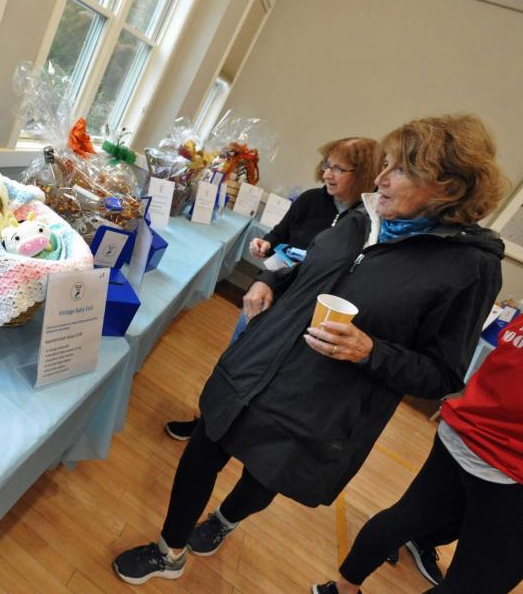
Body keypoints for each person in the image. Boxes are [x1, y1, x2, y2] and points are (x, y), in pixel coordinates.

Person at [113, 114, 505, 586]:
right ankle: (169, 549)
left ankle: (224, 521)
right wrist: (267, 279)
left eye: (400, 170)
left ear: (447, 188)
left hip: (318, 408)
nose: (380, 178)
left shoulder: (469, 267)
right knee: (201, 453)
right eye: (385, 163)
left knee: (261, 479)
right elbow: (307, 268)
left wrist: (368, 350)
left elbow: (443, 374)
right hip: (253, 368)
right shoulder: (363, 218)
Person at [165, 136, 381, 441]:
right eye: (327, 165)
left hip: (305, 315)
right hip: (267, 299)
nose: (328, 173)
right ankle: (206, 424)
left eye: (339, 169)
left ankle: (243, 434)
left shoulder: (367, 224)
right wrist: (267, 246)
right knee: (234, 362)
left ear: (362, 175)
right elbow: (280, 238)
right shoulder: (310, 200)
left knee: (272, 380)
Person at [313, 313, 523, 594]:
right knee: (475, 583)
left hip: (466, 431)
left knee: (407, 516)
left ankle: (340, 589)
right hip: (506, 462)